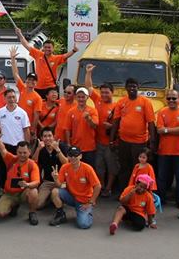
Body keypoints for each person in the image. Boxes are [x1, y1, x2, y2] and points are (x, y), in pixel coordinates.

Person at [110, 77, 156, 190]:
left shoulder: (145, 102)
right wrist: (111, 140)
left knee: (138, 168)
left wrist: (152, 143)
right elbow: (115, 122)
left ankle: (137, 192)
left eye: (134, 86)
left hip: (139, 143)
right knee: (124, 168)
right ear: (126, 88)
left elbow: (151, 123)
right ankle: (124, 191)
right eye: (129, 86)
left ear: (138, 88)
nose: (132, 88)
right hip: (124, 141)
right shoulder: (121, 102)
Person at [0, 128, 41, 225]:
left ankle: (32, 212)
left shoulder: (32, 164)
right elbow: (2, 149)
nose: (22, 155)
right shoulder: (11, 160)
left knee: (34, 191)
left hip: (24, 192)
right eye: (20, 152)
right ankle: (14, 205)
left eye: (24, 153)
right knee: (0, 213)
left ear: (29, 152)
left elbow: (36, 182)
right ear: (16, 152)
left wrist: (27, 184)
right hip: (9, 193)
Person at [14, 27, 78, 98]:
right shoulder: (38, 54)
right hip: (37, 87)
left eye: (49, 47)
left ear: (53, 48)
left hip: (50, 88)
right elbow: (26, 45)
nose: (47, 49)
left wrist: (74, 51)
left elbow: (65, 56)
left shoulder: (56, 58)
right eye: (45, 47)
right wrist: (20, 34)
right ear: (43, 48)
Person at [84, 65, 117, 196]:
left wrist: (111, 127)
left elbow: (120, 124)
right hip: (97, 142)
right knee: (99, 167)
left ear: (112, 92)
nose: (103, 94)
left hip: (110, 143)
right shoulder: (97, 101)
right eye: (102, 92)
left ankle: (109, 188)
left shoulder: (117, 106)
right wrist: (88, 73)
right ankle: (102, 185)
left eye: (106, 92)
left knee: (111, 167)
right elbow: (89, 88)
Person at [154, 89, 179, 207]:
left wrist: (167, 130)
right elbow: (159, 130)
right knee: (162, 177)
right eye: (169, 98)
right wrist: (176, 130)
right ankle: (161, 199)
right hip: (164, 151)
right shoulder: (162, 112)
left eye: (174, 98)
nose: (171, 101)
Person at [48, 146, 101, 229]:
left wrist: (90, 202)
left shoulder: (88, 168)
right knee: (55, 191)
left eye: (76, 155)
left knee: (83, 224)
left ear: (80, 156)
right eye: (70, 155)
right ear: (67, 156)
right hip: (71, 197)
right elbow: (59, 185)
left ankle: (87, 212)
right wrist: (55, 179)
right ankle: (60, 214)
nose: (73, 157)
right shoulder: (65, 167)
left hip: (84, 201)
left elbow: (98, 186)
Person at [61, 87, 98, 167]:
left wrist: (88, 118)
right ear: (76, 97)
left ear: (87, 97)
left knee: (89, 169)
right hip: (76, 147)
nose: (81, 99)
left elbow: (94, 126)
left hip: (89, 148)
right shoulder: (71, 111)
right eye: (79, 97)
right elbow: (67, 129)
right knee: (75, 168)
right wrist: (68, 144)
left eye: (83, 97)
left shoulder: (92, 110)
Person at [10, 47, 43, 131]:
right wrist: (13, 59)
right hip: (17, 124)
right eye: (29, 79)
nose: (30, 82)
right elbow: (15, 74)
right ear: (26, 80)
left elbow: (36, 116)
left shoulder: (37, 98)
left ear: (36, 83)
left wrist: (32, 130)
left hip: (28, 127)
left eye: (33, 80)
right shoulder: (22, 88)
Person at [33, 128, 66, 209]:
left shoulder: (61, 145)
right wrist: (38, 149)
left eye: (49, 136)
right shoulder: (40, 148)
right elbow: (33, 162)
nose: (47, 138)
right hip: (47, 182)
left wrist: (58, 150)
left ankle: (53, 196)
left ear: (53, 136)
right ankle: (50, 197)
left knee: (60, 204)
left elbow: (66, 163)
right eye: (45, 136)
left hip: (61, 181)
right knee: (37, 205)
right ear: (41, 138)